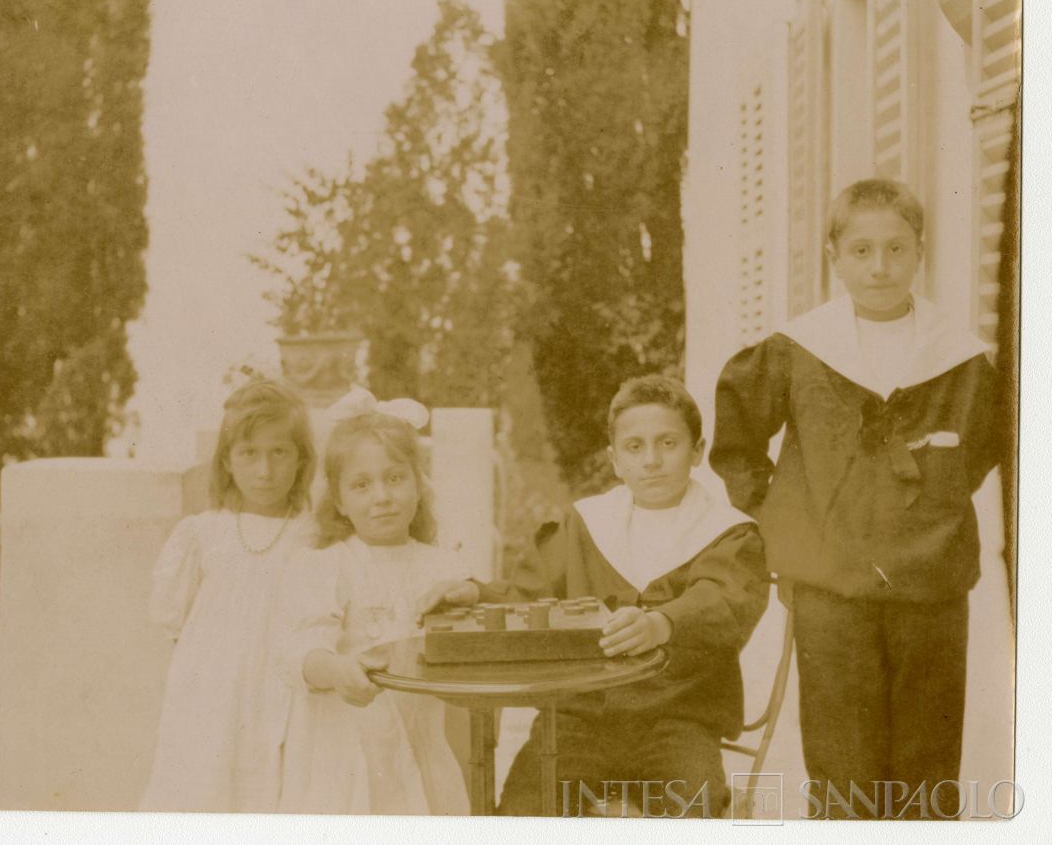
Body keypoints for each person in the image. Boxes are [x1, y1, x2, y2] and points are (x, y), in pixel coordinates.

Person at [710, 178, 1002, 819]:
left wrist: (928, 507)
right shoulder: (798, 351)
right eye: (862, 250)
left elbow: (980, 452)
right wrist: (782, 514)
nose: (880, 267)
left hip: (930, 587)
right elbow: (735, 440)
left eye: (897, 250)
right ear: (834, 257)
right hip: (832, 590)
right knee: (843, 766)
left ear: (919, 253)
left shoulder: (960, 359)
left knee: (927, 764)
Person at [422, 375, 768, 818]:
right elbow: (531, 594)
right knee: (527, 806)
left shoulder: (726, 531)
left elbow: (724, 599)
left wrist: (662, 623)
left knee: (693, 809)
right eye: (635, 447)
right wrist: (475, 591)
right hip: (579, 718)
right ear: (615, 459)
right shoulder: (587, 523)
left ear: (697, 452)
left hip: (677, 719)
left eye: (668, 443)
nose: (652, 461)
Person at [275, 388, 471, 816]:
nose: (381, 496)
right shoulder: (326, 566)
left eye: (395, 478)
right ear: (340, 501)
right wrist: (336, 669)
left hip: (420, 750)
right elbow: (298, 651)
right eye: (362, 485)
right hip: (348, 757)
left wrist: (466, 598)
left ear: (419, 485)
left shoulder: (442, 567)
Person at [140, 378, 318, 813]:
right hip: (211, 694)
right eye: (249, 453)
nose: (265, 470)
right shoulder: (203, 534)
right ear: (227, 461)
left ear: (301, 460)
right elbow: (174, 620)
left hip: (285, 689)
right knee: (206, 791)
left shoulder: (313, 538)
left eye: (280, 452)